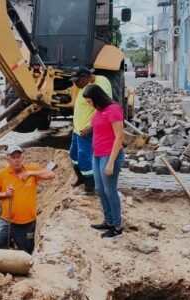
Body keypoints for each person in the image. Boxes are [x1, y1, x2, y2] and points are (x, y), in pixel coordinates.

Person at [0, 145, 56, 254]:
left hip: (28, 225)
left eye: (18, 157)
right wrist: (5, 194)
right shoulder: (1, 174)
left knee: (27, 253)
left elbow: (51, 174)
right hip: (7, 222)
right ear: (8, 159)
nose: (16, 160)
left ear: (22, 158)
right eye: (13, 157)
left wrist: (31, 173)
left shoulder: (31, 170)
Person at [82, 84, 125, 239]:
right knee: (100, 189)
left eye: (89, 101)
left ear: (96, 98)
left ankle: (117, 227)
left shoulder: (114, 110)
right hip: (98, 154)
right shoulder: (100, 110)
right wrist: (89, 128)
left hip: (109, 155)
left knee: (110, 191)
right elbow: (100, 125)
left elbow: (119, 137)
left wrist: (111, 162)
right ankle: (108, 221)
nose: (89, 104)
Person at [70, 66, 112, 195]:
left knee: (85, 158)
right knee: (74, 156)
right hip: (77, 130)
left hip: (86, 131)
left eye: (77, 80)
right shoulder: (84, 86)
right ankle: (81, 178)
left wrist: (91, 126)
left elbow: (104, 108)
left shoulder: (100, 84)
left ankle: (90, 186)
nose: (75, 83)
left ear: (86, 77)